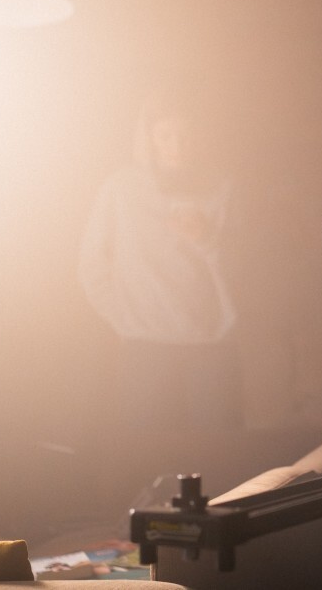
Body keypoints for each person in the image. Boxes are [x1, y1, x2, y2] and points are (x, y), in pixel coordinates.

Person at [78, 89, 242, 439]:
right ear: (149, 138)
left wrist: (207, 239)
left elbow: (245, 273)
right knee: (148, 453)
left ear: (200, 135)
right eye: (165, 136)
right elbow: (91, 265)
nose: (176, 146)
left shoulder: (222, 188)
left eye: (185, 135)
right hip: (145, 352)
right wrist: (126, 320)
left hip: (209, 349)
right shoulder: (120, 189)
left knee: (217, 454)